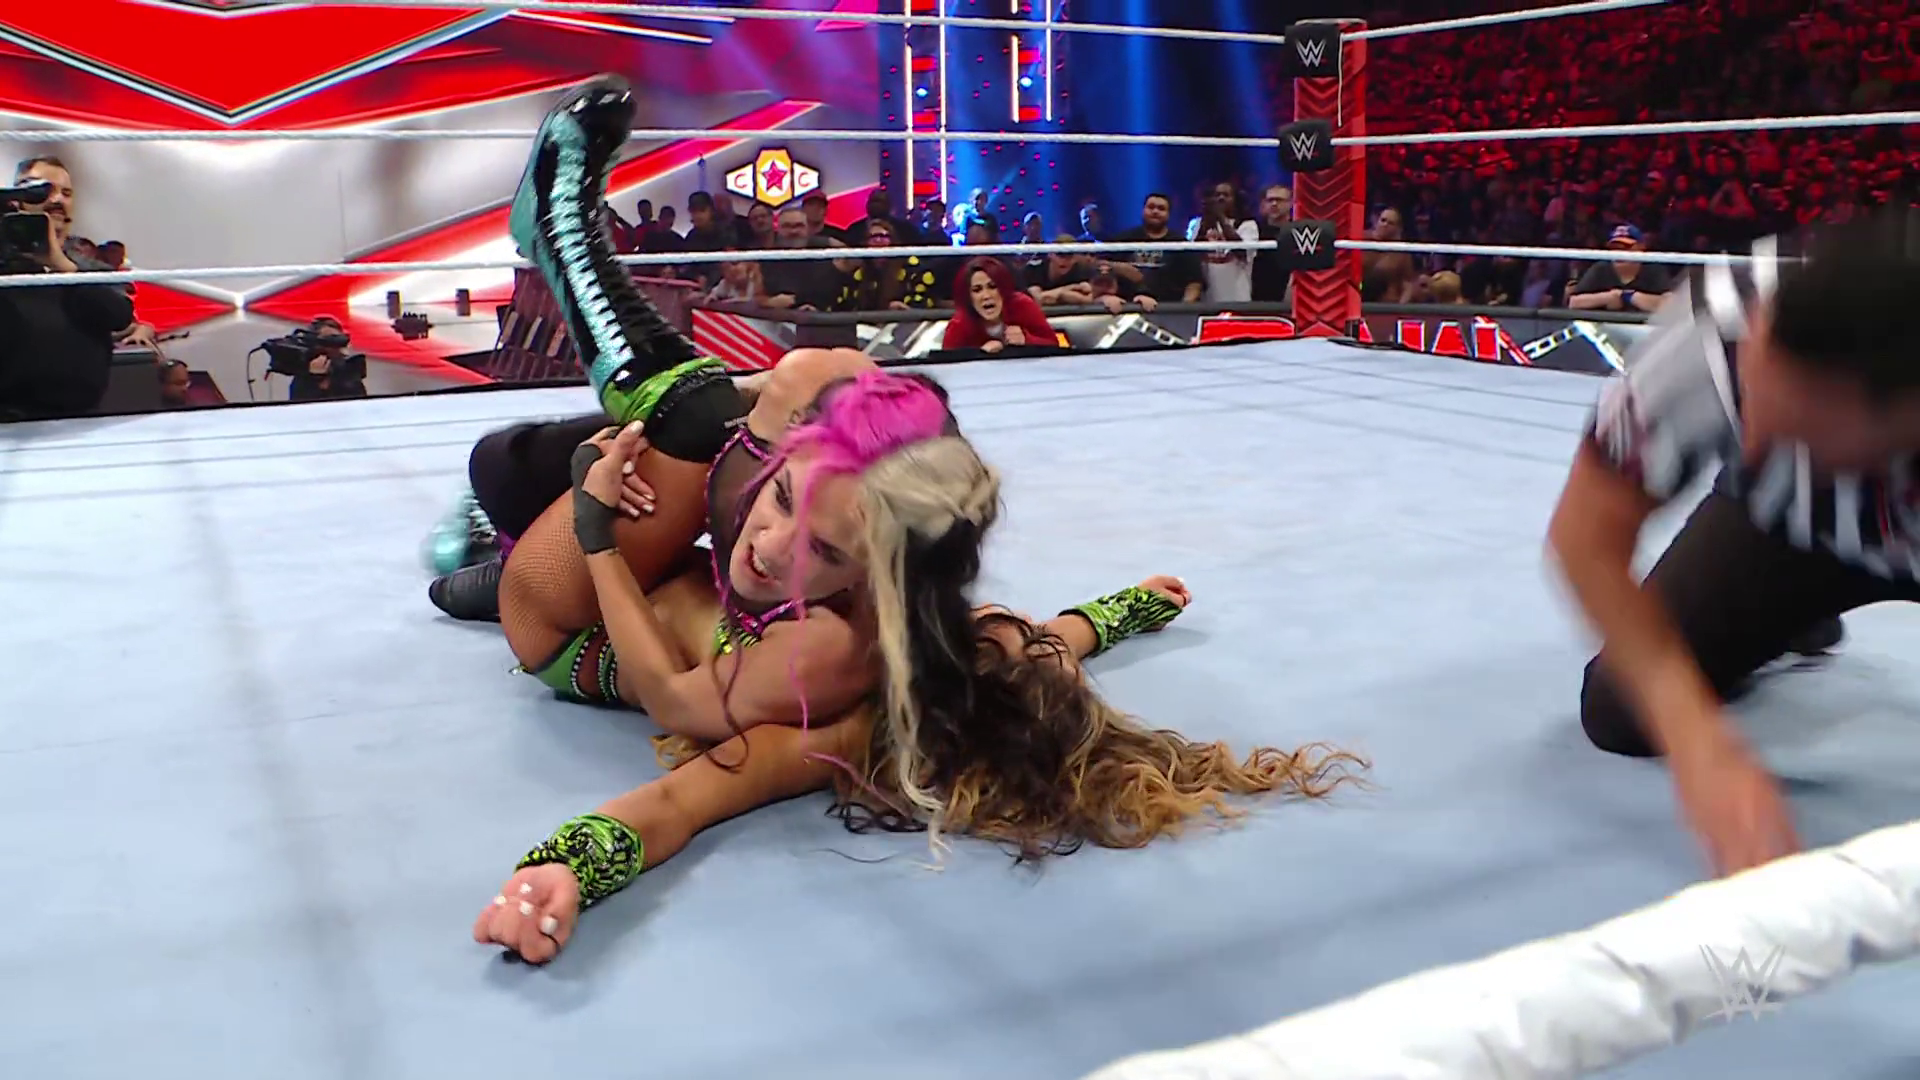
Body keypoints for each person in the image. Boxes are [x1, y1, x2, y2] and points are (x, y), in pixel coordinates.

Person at [471, 372, 1364, 964]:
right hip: (680, 575)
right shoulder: (942, 631)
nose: (772, 544)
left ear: (875, 577)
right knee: (788, 401)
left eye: (823, 548)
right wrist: (1124, 607)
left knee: (642, 427)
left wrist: (559, 872)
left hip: (566, 633)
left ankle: (491, 565)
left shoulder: (825, 713)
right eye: (782, 497)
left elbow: (678, 799)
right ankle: (491, 550)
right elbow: (1043, 638)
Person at [1547, 202, 1920, 879]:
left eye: (1798, 428)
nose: (1754, 437)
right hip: (1787, 526)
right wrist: (1699, 742)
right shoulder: (1714, 332)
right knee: (1623, 710)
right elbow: (1584, 538)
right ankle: (1793, 614)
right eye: (1757, 401)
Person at [941, 256, 1057, 353]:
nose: (986, 296)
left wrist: (1027, 339)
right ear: (968, 296)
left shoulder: (1023, 305)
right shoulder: (960, 323)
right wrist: (980, 354)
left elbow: (1054, 346)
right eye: (977, 290)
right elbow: (946, 365)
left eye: (992, 287)